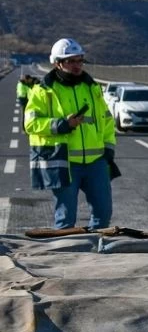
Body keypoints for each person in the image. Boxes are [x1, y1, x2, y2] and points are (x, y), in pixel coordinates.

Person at [23, 38, 117, 229]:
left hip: (96, 162)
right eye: (71, 61)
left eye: (79, 60)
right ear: (57, 63)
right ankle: (66, 257)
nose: (77, 65)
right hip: (65, 162)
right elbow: (30, 123)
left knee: (104, 214)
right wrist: (62, 124)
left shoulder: (91, 88)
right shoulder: (43, 91)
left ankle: (97, 256)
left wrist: (108, 148)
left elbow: (106, 119)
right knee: (65, 219)